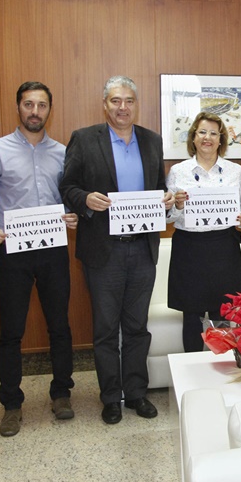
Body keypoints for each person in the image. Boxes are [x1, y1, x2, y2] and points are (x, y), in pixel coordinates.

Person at [60, 76, 174, 424]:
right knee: (106, 329)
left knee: (137, 327)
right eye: (115, 100)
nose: (122, 107)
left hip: (142, 249)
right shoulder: (84, 139)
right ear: (104, 104)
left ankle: (136, 393)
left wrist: (166, 199)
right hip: (103, 251)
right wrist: (85, 199)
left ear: (135, 104)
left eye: (128, 101)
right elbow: (67, 186)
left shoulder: (152, 140)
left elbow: (159, 187)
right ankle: (111, 397)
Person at [0, 81, 77, 437]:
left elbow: (70, 198)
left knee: (59, 326)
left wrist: (72, 215)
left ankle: (61, 394)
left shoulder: (63, 153)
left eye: (41, 105)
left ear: (49, 110)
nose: (35, 111)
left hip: (53, 251)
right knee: (11, 331)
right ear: (19, 107)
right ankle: (12, 404)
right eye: (29, 104)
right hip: (12, 253)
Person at [166, 112, 241, 352]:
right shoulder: (178, 171)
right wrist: (178, 205)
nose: (207, 138)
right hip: (189, 248)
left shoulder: (235, 171)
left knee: (223, 313)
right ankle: (190, 368)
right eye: (202, 132)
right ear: (193, 137)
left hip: (223, 247)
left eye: (213, 133)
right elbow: (168, 217)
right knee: (191, 315)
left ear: (221, 139)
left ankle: (221, 365)